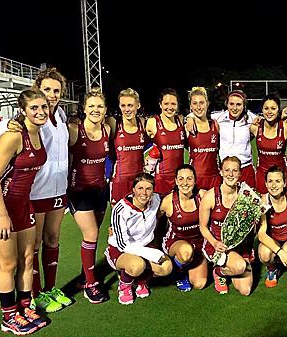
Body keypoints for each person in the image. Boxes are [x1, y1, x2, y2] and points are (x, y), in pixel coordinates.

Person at [0, 68, 73, 312]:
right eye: (46, 89)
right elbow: (2, 135)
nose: (51, 95)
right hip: (35, 191)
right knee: (33, 246)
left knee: (53, 239)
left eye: (56, 90)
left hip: (58, 190)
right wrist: (11, 125)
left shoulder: (60, 116)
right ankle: (35, 294)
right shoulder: (22, 119)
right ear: (38, 89)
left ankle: (50, 289)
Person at [0, 89, 50, 335]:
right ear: (23, 110)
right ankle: (8, 317)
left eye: (44, 107)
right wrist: (2, 215)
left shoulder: (39, 133)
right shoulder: (13, 136)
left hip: (23, 204)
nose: (41, 112)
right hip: (0, 206)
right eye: (35, 108)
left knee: (28, 258)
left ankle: (24, 307)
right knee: (8, 263)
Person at [68, 87, 111, 304]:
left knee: (93, 236)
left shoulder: (107, 130)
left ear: (105, 110)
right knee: (92, 234)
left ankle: (86, 274)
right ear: (84, 108)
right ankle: (91, 284)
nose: (96, 109)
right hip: (79, 192)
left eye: (100, 106)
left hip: (101, 190)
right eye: (91, 105)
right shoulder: (74, 130)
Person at [106, 173, 173, 305]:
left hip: (146, 246)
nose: (144, 192)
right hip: (122, 250)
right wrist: (150, 253)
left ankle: (142, 279)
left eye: (148, 188)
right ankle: (125, 285)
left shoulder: (156, 199)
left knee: (166, 267)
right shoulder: (121, 209)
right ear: (133, 190)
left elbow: (174, 197)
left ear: (153, 190)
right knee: (137, 265)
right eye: (140, 188)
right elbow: (122, 244)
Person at [199, 156, 254, 296]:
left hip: (239, 246)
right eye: (227, 170)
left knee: (245, 290)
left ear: (240, 173)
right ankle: (219, 272)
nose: (231, 174)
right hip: (218, 245)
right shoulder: (211, 196)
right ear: (221, 172)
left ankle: (230, 267)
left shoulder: (247, 194)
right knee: (240, 266)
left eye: (235, 171)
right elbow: (203, 227)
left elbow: (258, 214)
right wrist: (215, 243)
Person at [161, 164, 208, 292]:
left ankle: (185, 264)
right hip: (176, 242)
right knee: (186, 251)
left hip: (198, 245)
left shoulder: (203, 196)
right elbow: (153, 222)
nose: (185, 183)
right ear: (176, 181)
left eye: (189, 178)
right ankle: (178, 273)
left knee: (200, 283)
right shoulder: (168, 201)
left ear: (195, 180)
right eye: (181, 179)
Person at [108, 88, 148, 206]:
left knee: (140, 219)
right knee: (118, 220)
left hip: (139, 181)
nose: (126, 109)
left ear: (138, 105)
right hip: (119, 181)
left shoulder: (143, 123)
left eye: (130, 105)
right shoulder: (113, 123)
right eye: (123, 105)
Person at [209, 90, 257, 187]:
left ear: (244, 105)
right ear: (226, 104)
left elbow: (270, 119)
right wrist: (189, 117)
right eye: (231, 104)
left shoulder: (252, 118)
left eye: (238, 104)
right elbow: (198, 115)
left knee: (248, 201)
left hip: (245, 168)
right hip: (226, 169)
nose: (234, 108)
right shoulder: (218, 117)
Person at [145, 88, 186, 195]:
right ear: (160, 105)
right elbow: (138, 143)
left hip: (179, 179)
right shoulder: (153, 122)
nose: (170, 107)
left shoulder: (181, 121)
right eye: (166, 103)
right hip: (160, 179)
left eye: (173, 104)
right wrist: (145, 159)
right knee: (160, 211)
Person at [250, 93, 287, 194]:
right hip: (262, 175)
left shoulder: (286, 128)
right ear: (262, 110)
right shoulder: (255, 127)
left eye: (273, 108)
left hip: (282, 175)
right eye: (266, 108)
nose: (269, 112)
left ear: (278, 110)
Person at [186, 87, 221, 190]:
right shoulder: (188, 127)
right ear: (190, 106)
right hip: (195, 179)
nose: (198, 107)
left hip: (215, 178)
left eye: (201, 103)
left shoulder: (215, 125)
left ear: (207, 104)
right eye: (195, 103)